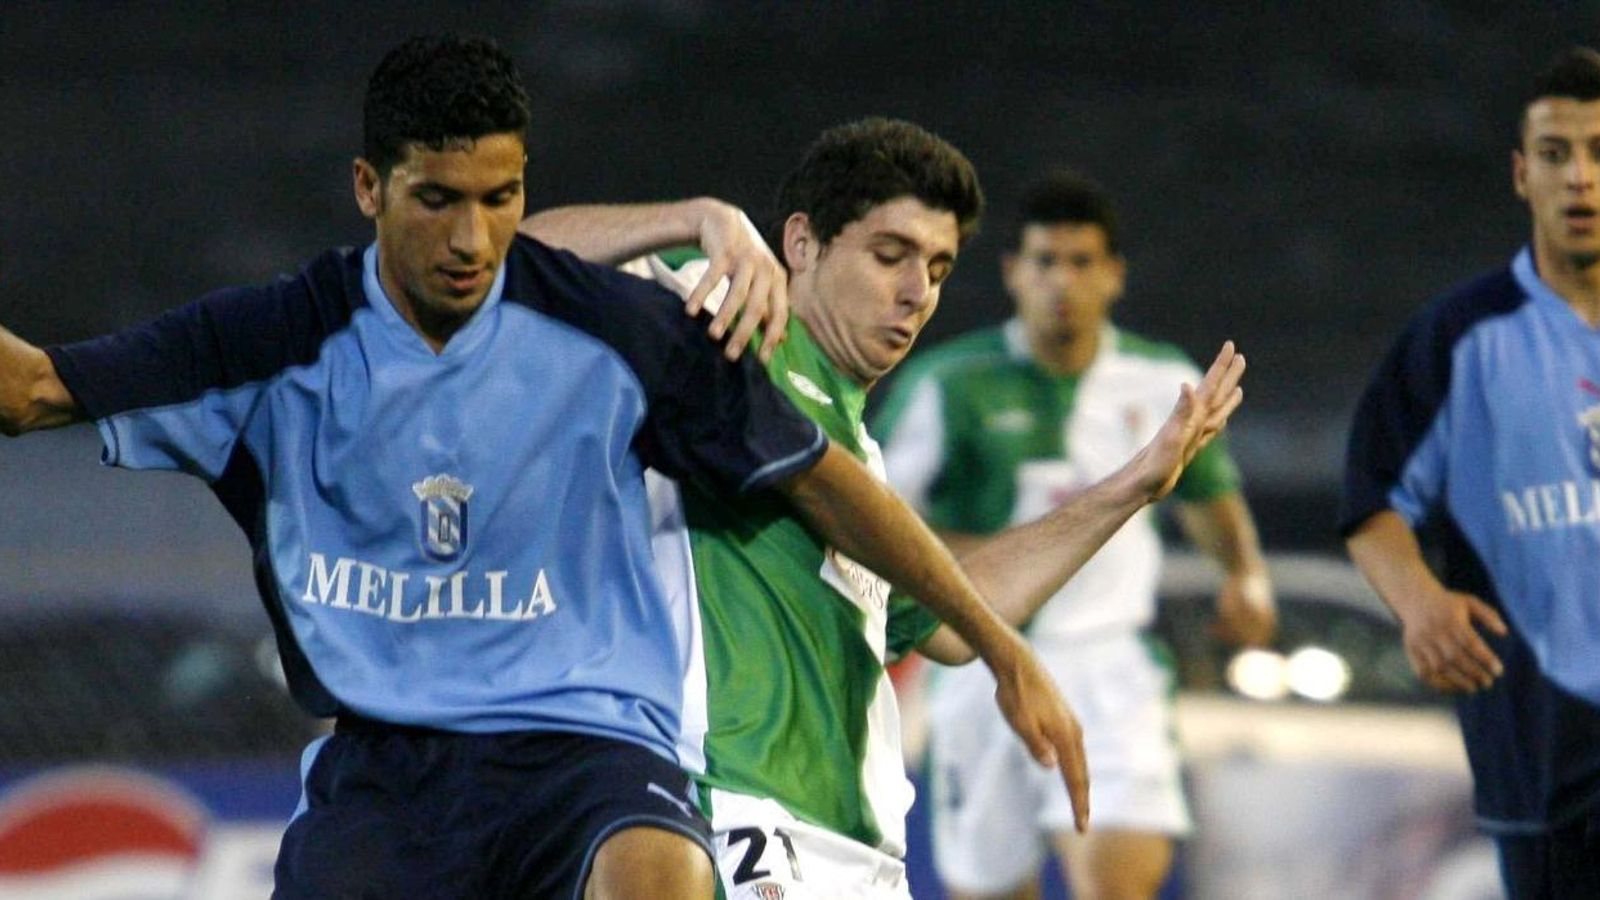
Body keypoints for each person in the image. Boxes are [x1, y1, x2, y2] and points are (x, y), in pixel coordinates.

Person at [0, 40, 1093, 900]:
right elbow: (35, 390)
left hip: (588, 754)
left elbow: (826, 485)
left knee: (658, 869)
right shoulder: (272, 344)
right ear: (369, 188)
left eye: (503, 196)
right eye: (439, 199)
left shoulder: (617, 334)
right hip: (388, 770)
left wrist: (999, 648)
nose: (474, 238)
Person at [522, 119, 1248, 899]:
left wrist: (1132, 486)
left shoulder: (863, 465)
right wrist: (696, 217)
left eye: (937, 267)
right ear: (801, 244)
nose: (917, 293)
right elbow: (523, 260)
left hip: (859, 855)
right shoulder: (722, 327)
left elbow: (953, 616)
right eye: (890, 255)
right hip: (732, 818)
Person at [871, 169, 1275, 900]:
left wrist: (1245, 574)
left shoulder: (1162, 384)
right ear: (1013, 273)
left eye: (1081, 262)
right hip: (975, 667)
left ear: (1113, 275)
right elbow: (879, 521)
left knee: (1116, 883)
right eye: (1045, 261)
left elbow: (1210, 497)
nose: (1062, 280)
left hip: (1109, 667)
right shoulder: (947, 384)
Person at [1341, 46, 1600, 899]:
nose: (1581, 179)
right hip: (1544, 756)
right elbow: (1373, 499)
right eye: (1557, 155)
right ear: (1523, 175)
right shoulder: (1458, 339)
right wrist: (1420, 605)